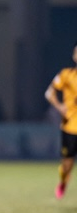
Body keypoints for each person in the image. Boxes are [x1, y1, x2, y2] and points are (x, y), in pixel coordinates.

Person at [45, 42, 77, 199]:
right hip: (70, 126)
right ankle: (63, 181)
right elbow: (49, 93)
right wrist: (59, 107)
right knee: (67, 164)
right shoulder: (66, 75)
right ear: (74, 56)